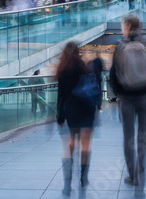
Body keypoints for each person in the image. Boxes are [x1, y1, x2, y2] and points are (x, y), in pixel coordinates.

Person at [110, 14, 146, 188]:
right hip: (144, 96)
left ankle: (132, 175)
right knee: (142, 135)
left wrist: (119, 93)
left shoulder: (120, 46)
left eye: (122, 25)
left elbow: (113, 75)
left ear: (128, 26)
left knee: (128, 136)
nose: (121, 29)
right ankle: (142, 169)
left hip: (126, 98)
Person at [56, 42, 96, 195]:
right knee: (85, 145)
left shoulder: (63, 71)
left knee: (69, 146)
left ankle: (67, 182)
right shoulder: (85, 68)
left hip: (71, 111)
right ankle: (83, 177)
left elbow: (60, 96)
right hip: (86, 110)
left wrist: (60, 115)